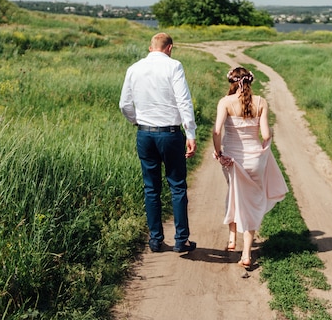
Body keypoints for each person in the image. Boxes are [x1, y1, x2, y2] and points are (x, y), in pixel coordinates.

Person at [119, 32, 197, 253]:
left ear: (150, 47)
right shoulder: (174, 66)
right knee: (177, 186)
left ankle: (155, 240)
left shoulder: (133, 69)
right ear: (170, 48)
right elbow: (184, 101)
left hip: (145, 134)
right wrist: (190, 132)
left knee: (151, 188)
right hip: (170, 134)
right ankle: (181, 239)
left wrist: (137, 122)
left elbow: (124, 104)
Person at [212, 67, 288, 269]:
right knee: (251, 203)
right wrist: (269, 131)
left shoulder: (225, 102)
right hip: (256, 161)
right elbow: (265, 135)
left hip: (232, 159)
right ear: (250, 82)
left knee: (235, 193)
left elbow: (217, 130)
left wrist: (218, 153)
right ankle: (246, 254)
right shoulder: (261, 102)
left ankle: (232, 239)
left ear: (231, 82)